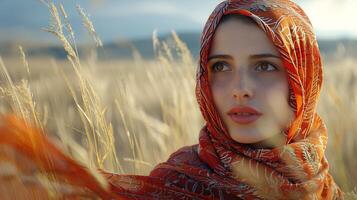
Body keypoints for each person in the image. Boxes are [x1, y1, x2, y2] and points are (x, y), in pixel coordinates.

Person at [0, 0, 344, 199]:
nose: (239, 88)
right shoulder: (178, 183)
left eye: (265, 65)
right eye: (221, 66)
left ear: (305, 77)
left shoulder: (321, 184)